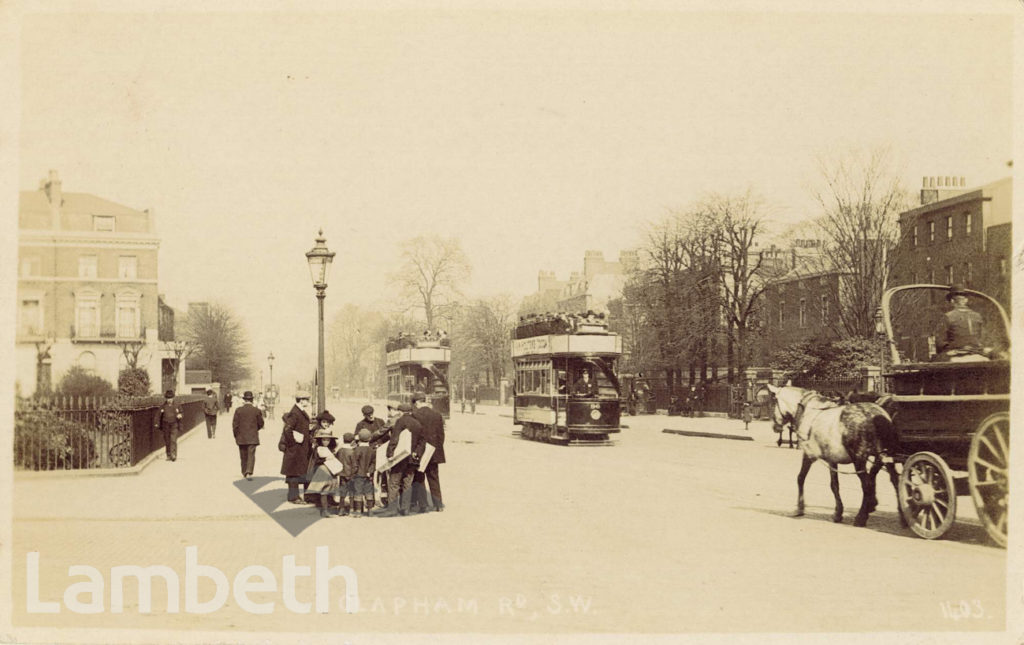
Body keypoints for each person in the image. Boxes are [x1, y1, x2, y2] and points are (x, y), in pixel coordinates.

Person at [373, 402, 423, 517]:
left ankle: (392, 509)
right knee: (407, 483)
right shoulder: (417, 423)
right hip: (413, 458)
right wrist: (417, 453)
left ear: (400, 412)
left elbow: (394, 439)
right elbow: (422, 441)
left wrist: (389, 453)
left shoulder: (400, 421)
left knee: (394, 482)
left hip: (400, 458)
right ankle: (406, 509)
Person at [934, 284, 991, 361]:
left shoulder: (947, 317)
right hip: (977, 353)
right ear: (966, 300)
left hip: (956, 354)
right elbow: (984, 339)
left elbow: (940, 344)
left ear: (952, 301)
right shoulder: (977, 316)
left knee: (935, 360)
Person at [412, 392, 446, 512]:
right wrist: (437, 448)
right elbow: (441, 435)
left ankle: (423, 505)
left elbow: (415, 435)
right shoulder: (437, 415)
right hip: (434, 451)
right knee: (434, 477)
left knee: (419, 477)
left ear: (417, 402)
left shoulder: (415, 415)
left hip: (420, 451)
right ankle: (438, 505)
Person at [278, 391, 313, 504]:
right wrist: (293, 443)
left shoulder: (298, 411)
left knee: (297, 471)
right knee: (294, 472)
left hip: (300, 448)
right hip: (296, 448)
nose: (308, 401)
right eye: (306, 399)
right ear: (301, 400)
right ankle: (294, 497)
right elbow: (287, 429)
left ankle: (295, 496)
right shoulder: (295, 413)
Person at [307, 412, 341, 518]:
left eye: (328, 422)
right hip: (324, 469)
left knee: (326, 489)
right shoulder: (319, 446)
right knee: (324, 489)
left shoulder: (326, 446)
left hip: (328, 469)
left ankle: (325, 508)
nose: (326, 424)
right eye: (324, 422)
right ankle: (325, 510)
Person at [232, 390, 264, 479]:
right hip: (252, 436)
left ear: (244, 400)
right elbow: (261, 423)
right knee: (251, 454)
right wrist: (255, 429)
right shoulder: (256, 410)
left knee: (243, 455)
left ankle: (244, 472)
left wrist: (236, 435)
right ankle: (249, 471)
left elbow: (235, 425)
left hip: (241, 437)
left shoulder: (238, 410)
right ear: (252, 400)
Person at [351, 428, 376, 516]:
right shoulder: (372, 450)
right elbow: (373, 463)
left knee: (358, 492)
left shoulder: (357, 450)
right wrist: (370, 471)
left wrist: (353, 474)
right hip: (368, 475)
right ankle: (370, 510)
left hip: (358, 474)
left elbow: (355, 464)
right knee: (368, 492)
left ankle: (358, 511)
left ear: (359, 438)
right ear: (369, 439)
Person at [154, 390, 183, 462]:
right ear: (166, 398)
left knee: (173, 440)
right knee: (167, 440)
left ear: (173, 398)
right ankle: (168, 455)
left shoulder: (177, 405)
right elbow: (158, 415)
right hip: (165, 425)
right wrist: (156, 423)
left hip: (174, 424)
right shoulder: (163, 406)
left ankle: (173, 455)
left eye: (170, 398)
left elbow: (182, 412)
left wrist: (180, 415)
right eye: (167, 398)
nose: (169, 400)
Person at [337, 432, 357, 516]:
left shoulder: (340, 451)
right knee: (352, 493)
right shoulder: (352, 452)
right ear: (352, 441)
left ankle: (341, 509)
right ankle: (351, 509)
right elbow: (354, 465)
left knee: (342, 493)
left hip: (342, 474)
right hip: (350, 475)